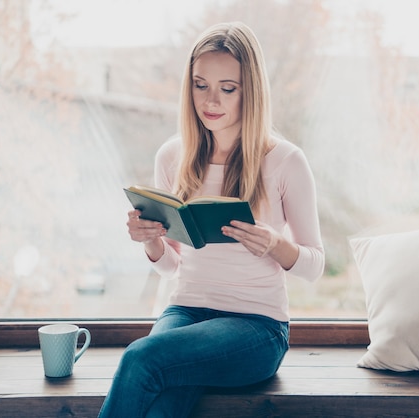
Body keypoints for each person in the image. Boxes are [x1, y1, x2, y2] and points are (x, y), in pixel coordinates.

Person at [98, 21, 324, 418]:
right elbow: (172, 267)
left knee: (141, 358)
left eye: (228, 88)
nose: (211, 100)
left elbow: (315, 265)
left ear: (250, 92)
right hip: (185, 313)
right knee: (163, 404)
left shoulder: (285, 161)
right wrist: (151, 240)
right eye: (200, 85)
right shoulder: (173, 156)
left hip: (257, 328)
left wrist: (276, 244)